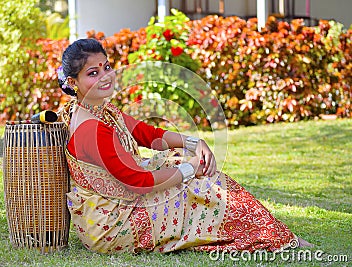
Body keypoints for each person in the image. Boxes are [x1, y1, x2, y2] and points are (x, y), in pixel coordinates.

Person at [57, 38, 311, 254]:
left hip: (120, 205)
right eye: (93, 73)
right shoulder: (90, 129)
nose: (105, 77)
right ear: (72, 82)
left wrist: (194, 143)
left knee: (182, 164)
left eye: (107, 67)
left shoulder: (97, 110)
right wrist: (191, 169)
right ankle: (273, 237)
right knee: (198, 186)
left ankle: (271, 233)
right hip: (113, 224)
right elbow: (137, 182)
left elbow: (147, 133)